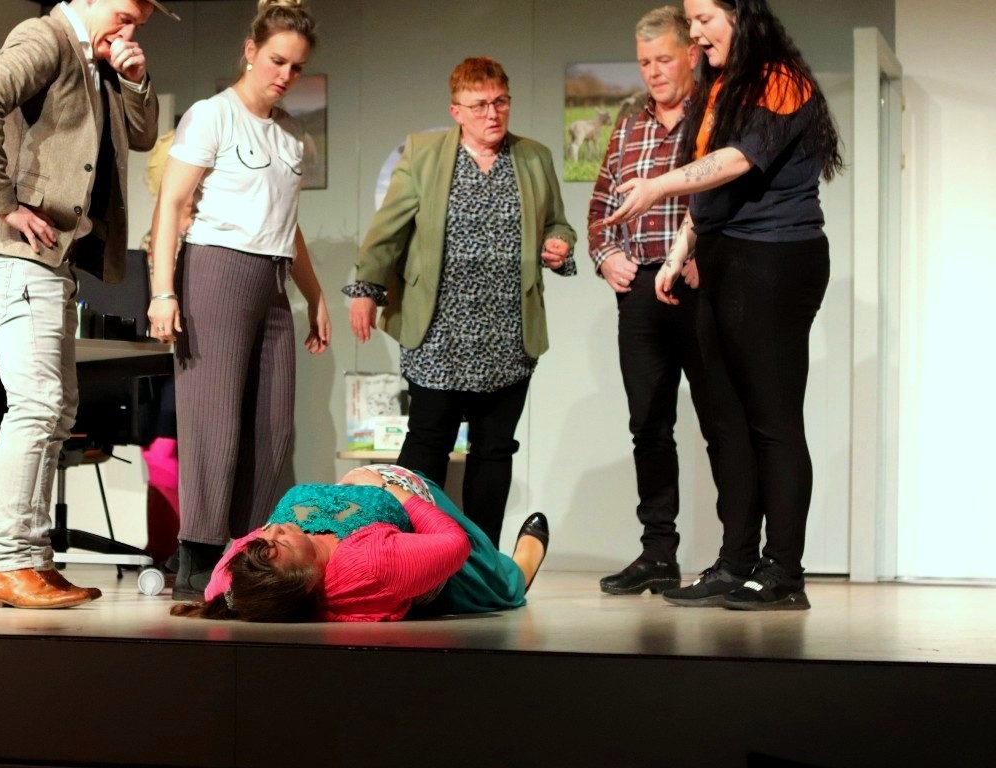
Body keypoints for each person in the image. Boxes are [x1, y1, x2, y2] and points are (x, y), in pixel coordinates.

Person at [600, 0, 842, 610]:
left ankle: (784, 572)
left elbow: (735, 161)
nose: (696, 32)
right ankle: (735, 563)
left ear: (742, 14)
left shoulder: (780, 79)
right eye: (691, 19)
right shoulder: (722, 86)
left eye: (705, 17)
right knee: (729, 421)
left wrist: (657, 186)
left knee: (772, 420)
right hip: (726, 258)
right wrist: (682, 248)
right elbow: (713, 188)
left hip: (775, 260)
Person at [0, 0, 176, 609]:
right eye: (124, 16)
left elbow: (142, 136)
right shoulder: (45, 38)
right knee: (36, 405)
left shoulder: (96, 64)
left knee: (57, 410)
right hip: (18, 254)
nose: (128, 31)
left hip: (54, 261)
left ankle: (32, 559)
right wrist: (3, 203)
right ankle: (7, 562)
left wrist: (135, 79)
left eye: (137, 25)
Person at [346, 57, 576, 548]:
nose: (492, 114)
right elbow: (388, 231)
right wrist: (366, 289)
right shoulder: (424, 154)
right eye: (479, 105)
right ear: (456, 111)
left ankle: (483, 558)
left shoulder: (533, 157)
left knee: (494, 449)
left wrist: (560, 243)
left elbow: (557, 221)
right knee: (428, 442)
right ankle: (408, 551)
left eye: (501, 102)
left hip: (508, 331)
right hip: (439, 330)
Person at [147, 0, 331, 601]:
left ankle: (248, 552)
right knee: (215, 422)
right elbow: (172, 205)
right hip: (216, 270)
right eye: (277, 60)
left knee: (274, 429)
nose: (285, 75)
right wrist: (163, 290)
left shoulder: (291, 136)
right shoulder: (213, 115)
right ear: (251, 52)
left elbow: (288, 225)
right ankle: (196, 558)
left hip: (273, 283)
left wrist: (314, 294)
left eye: (296, 67)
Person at [588, 7, 719, 597]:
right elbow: (600, 208)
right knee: (648, 426)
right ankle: (658, 553)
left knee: (720, 421)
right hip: (640, 290)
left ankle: (737, 555)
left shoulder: (714, 114)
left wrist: (704, 252)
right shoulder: (626, 125)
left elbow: (731, 195)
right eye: (644, 62)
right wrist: (605, 256)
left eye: (663, 59)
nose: (653, 72)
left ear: (690, 54)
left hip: (698, 286)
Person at [171, 465, 550, 622]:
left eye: (266, 538)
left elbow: (220, 585)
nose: (272, 532)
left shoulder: (250, 578)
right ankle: (521, 568)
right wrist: (389, 488)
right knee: (497, 581)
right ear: (306, 580)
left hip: (381, 489)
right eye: (279, 543)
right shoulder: (368, 563)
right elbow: (454, 543)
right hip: (418, 504)